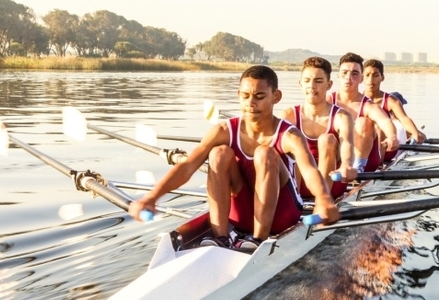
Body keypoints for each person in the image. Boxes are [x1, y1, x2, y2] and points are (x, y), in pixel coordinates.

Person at [129, 65, 339, 252]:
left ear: (276, 97)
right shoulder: (223, 130)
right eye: (245, 96)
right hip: (242, 215)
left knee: (264, 153)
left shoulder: (289, 135)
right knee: (218, 154)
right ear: (238, 94)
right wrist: (152, 197)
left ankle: (258, 240)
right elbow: (187, 167)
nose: (251, 103)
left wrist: (323, 199)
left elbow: (310, 170)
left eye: (259, 96)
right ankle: (220, 238)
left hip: (283, 214)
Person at [281, 56, 357, 198]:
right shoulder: (289, 115)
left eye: (318, 81)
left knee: (327, 139)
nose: (311, 86)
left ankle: (322, 200)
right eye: (307, 81)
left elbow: (347, 144)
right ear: (300, 84)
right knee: (292, 144)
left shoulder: (342, 117)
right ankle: (294, 199)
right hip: (299, 183)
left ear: (329, 85)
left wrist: (347, 164)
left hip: (332, 184)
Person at [326, 52, 399, 172]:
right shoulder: (328, 101)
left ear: (361, 78)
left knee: (363, 122)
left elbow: (385, 121)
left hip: (368, 161)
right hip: (339, 159)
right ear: (338, 76)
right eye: (344, 73)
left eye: (354, 74)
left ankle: (357, 168)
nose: (348, 78)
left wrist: (392, 137)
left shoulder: (367, 105)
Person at [362, 59, 426, 161]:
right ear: (362, 77)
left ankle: (378, 166)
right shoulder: (357, 99)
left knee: (378, 127)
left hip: (386, 149)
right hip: (363, 147)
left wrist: (414, 132)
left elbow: (404, 119)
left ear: (382, 77)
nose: (371, 80)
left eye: (375, 75)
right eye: (367, 75)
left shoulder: (391, 101)